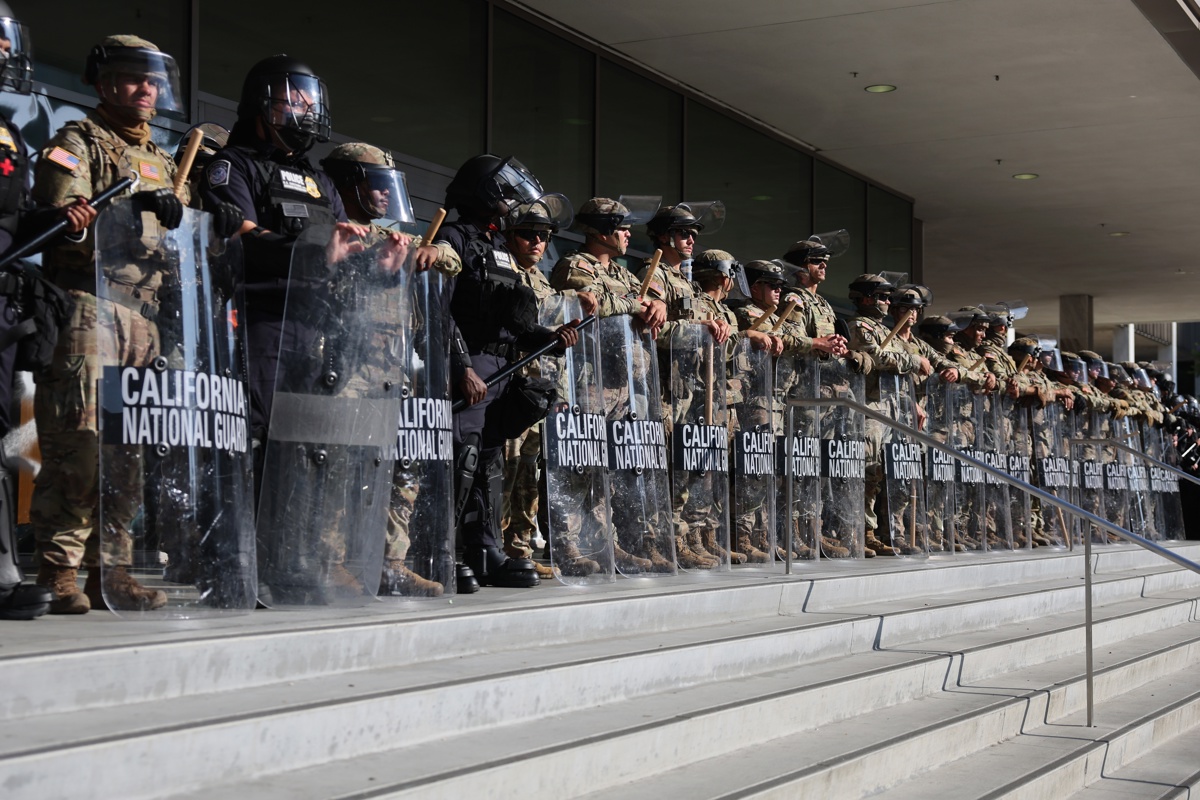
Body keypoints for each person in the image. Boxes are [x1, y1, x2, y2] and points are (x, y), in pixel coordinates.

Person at [29, 35, 227, 613]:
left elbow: (182, 243)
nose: (148, 89)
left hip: (146, 317)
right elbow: (68, 218)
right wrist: (130, 208)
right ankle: (59, 571)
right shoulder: (77, 141)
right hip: (91, 306)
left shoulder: (167, 161)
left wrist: (204, 222)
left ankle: (110, 573)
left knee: (129, 453)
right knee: (81, 447)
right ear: (104, 82)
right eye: (134, 78)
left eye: (154, 80)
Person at [424, 154, 578, 588]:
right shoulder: (453, 237)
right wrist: (461, 367)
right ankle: (441, 548)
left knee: (488, 463)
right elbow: (438, 309)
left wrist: (550, 336)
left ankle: (483, 548)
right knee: (461, 458)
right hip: (468, 366)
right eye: (504, 192)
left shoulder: (498, 248)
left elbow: (512, 320)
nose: (510, 201)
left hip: (501, 367)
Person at [0, 3, 98, 619]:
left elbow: (11, 219)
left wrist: (58, 221)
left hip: (5, 302)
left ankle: (2, 574)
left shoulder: (5, 130)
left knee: (2, 439)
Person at [321, 141, 449, 597]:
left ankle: (391, 562)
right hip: (345, 364)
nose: (382, 195)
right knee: (337, 465)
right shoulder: (331, 231)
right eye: (374, 184)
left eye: (385, 186)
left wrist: (433, 253)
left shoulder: (390, 236)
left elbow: (447, 256)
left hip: (390, 368)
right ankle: (329, 561)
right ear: (349, 183)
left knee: (404, 466)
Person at [846, 273, 930, 556]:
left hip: (891, 408)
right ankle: (864, 532)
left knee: (882, 472)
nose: (886, 302)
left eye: (887, 298)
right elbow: (879, 357)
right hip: (868, 408)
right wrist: (913, 361)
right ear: (867, 298)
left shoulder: (883, 329)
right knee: (868, 470)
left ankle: (883, 530)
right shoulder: (859, 325)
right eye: (882, 297)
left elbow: (896, 362)